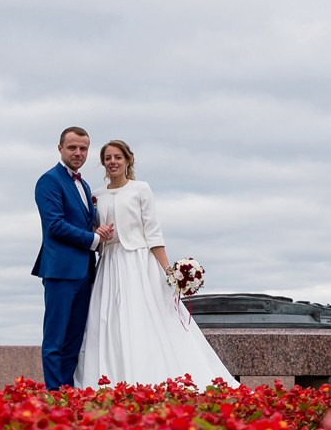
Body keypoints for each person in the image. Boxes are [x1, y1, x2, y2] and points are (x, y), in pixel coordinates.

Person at [75, 139, 233, 388]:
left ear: (128, 160)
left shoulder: (141, 189)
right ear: (103, 163)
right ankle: (112, 378)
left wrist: (168, 272)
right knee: (108, 322)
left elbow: (153, 232)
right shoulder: (96, 194)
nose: (113, 162)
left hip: (138, 263)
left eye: (118, 157)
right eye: (108, 158)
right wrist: (99, 230)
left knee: (143, 317)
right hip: (110, 263)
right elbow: (92, 228)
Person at [33, 127, 112, 389]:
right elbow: (54, 225)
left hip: (85, 272)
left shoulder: (84, 184)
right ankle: (55, 395)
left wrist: (98, 232)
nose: (78, 153)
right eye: (72, 147)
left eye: (83, 148)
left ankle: (68, 393)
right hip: (60, 271)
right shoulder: (49, 181)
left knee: (74, 339)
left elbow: (83, 222)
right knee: (55, 339)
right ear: (60, 149)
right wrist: (94, 239)